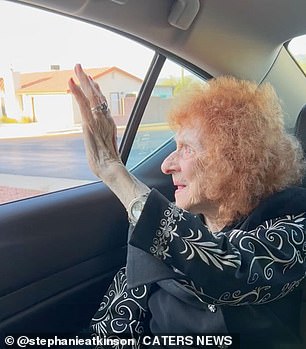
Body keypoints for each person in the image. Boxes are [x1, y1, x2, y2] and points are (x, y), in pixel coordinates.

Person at [68, 64, 306, 349]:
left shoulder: (293, 224)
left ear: (234, 161)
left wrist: (112, 168)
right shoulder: (167, 225)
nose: (167, 165)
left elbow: (228, 273)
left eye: (187, 149)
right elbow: (113, 326)